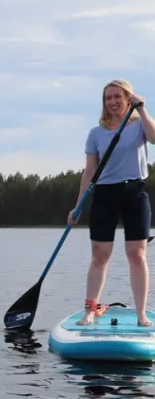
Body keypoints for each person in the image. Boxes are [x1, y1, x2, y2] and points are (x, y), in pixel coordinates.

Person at [67, 79, 155, 326]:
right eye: (108, 98)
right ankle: (89, 311)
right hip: (105, 194)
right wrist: (78, 206)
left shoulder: (139, 126)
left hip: (135, 192)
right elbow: (89, 171)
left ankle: (141, 314)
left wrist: (142, 109)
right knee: (100, 254)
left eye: (118, 96)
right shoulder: (96, 133)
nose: (113, 101)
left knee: (136, 254)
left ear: (128, 98)